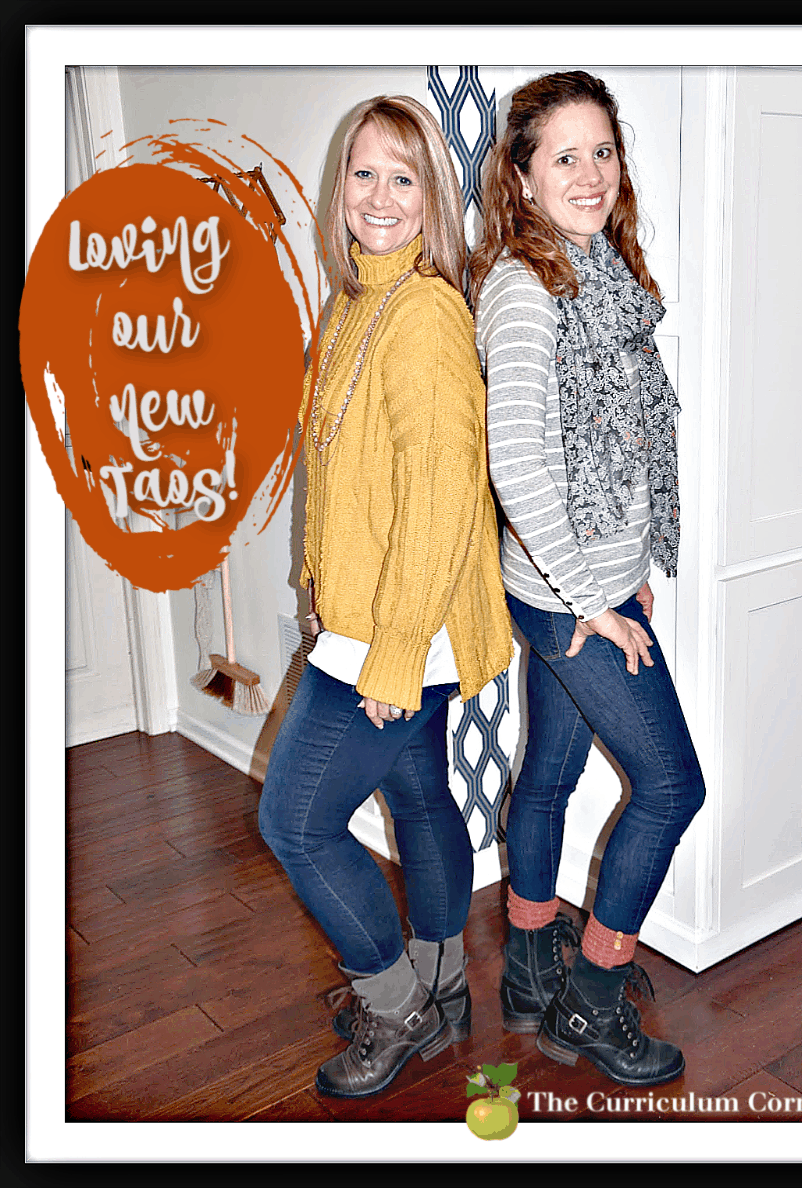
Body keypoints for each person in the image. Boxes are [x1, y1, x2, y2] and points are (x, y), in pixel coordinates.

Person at [259, 95, 512, 1100]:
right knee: (416, 795)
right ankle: (442, 983)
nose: (378, 195)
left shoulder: (426, 317)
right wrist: (321, 586)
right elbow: (343, 473)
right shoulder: (354, 304)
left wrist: (395, 650)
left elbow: (443, 497)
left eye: (403, 177)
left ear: (432, 198)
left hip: (402, 628)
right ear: (341, 189)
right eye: (363, 172)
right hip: (368, 616)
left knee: (295, 821)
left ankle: (397, 1002)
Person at [471, 70, 705, 1087]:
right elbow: (519, 465)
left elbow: (623, 441)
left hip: (582, 586)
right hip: (565, 600)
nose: (590, 173)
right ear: (522, 178)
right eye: (564, 155)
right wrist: (590, 601)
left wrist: (631, 566)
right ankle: (590, 1002)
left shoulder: (602, 267)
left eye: (602, 151)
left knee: (552, 775)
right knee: (674, 785)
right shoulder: (526, 289)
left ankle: (530, 969)